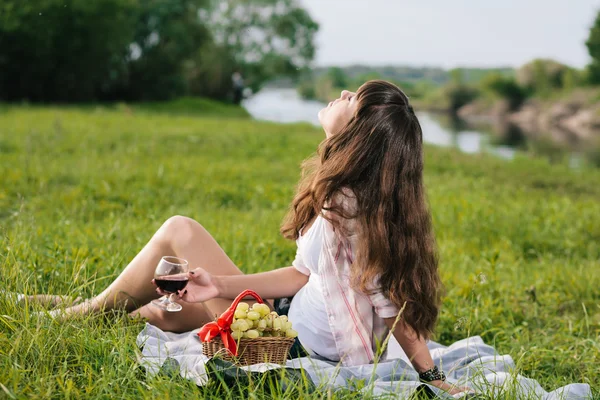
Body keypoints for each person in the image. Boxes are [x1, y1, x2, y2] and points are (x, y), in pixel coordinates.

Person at [33, 80, 467, 395]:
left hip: (280, 350)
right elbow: (301, 275)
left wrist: (432, 378)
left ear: (358, 140)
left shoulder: (356, 213)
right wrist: (220, 286)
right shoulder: (354, 197)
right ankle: (71, 310)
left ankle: (73, 315)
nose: (343, 96)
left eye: (352, 101)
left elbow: (396, 313)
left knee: (180, 230)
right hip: (282, 321)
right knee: (160, 314)